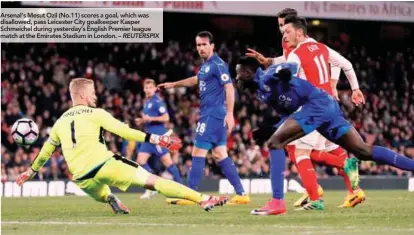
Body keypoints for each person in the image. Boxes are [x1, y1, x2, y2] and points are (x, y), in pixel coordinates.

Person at [16, 78, 228, 214]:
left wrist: (30, 171)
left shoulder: (60, 121)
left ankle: (110, 198)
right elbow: (125, 132)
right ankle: (203, 199)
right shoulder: (96, 113)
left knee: (102, 191)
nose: (95, 96)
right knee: (154, 181)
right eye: (92, 93)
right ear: (82, 95)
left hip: (80, 177)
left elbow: (46, 151)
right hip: (104, 165)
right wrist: (157, 139)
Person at [235, 57, 414, 215]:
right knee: (362, 151)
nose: (237, 78)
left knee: (275, 144)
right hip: (325, 106)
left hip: (315, 105)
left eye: (238, 73)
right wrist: (270, 128)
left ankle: (277, 202)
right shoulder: (261, 92)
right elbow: (286, 114)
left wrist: (286, 73)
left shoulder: (268, 76)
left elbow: (292, 65)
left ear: (249, 73)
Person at [246, 8, 366, 209]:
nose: (282, 30)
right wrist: (269, 61)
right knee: (330, 146)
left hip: (310, 103)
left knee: (299, 150)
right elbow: (291, 62)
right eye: (280, 26)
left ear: (295, 27)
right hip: (322, 102)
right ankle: (352, 190)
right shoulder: (301, 45)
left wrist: (334, 83)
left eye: (284, 26)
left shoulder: (302, 45)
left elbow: (332, 63)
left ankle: (316, 192)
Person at [158, 31, 250, 205]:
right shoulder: (206, 66)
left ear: (212, 45)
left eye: (204, 44)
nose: (200, 48)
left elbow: (229, 88)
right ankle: (242, 194)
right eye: (198, 45)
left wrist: (230, 113)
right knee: (220, 154)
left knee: (197, 152)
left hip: (213, 114)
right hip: (213, 114)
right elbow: (196, 79)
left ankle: (190, 195)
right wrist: (174, 84)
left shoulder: (217, 64)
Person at [135, 79, 183, 200]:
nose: (148, 90)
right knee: (140, 160)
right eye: (146, 88)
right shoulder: (147, 102)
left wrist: (150, 118)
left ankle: (182, 188)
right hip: (149, 136)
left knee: (168, 162)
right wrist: (142, 121)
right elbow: (148, 119)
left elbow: (166, 118)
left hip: (157, 137)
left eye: (150, 88)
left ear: (155, 88)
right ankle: (152, 186)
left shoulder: (157, 101)